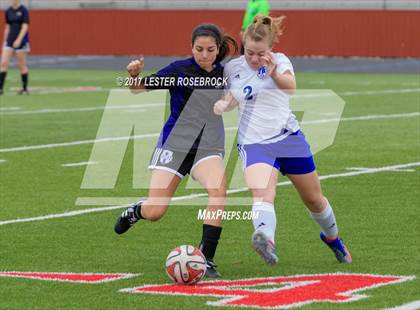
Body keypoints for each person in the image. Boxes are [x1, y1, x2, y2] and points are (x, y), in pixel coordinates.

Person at [214, 15, 352, 265]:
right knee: (263, 193)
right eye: (249, 53)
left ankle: (333, 239)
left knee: (314, 199)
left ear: (270, 48)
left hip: (289, 139)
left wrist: (274, 73)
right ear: (244, 44)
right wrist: (224, 103)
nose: (255, 58)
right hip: (254, 144)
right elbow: (232, 96)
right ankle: (266, 240)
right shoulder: (232, 68)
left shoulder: (280, 61)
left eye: (260, 53)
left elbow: (290, 87)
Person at [114, 24, 238, 278]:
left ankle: (208, 258)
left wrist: (227, 101)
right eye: (199, 49)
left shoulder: (225, 73)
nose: (204, 54)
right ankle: (137, 211)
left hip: (208, 145)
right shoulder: (178, 70)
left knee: (218, 190)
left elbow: (235, 97)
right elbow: (136, 89)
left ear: (218, 50)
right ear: (191, 47)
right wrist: (133, 75)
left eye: (210, 50)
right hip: (175, 144)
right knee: (156, 212)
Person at [0, 0, 30, 95]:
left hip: (21, 42)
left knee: (22, 65)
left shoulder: (24, 10)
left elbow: (25, 27)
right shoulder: (8, 11)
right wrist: (5, 41)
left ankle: (24, 88)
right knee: (3, 63)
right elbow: (7, 26)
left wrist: (19, 40)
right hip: (9, 40)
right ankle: (0, 88)